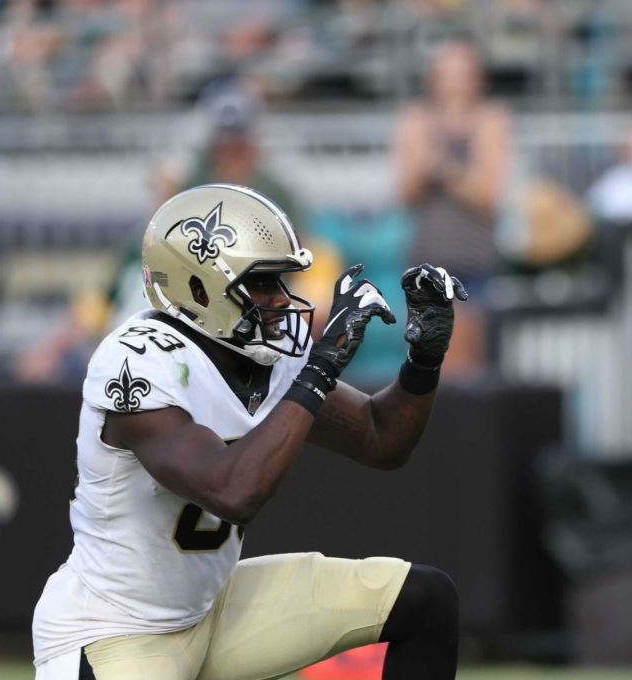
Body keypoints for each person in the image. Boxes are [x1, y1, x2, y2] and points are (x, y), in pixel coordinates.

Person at [31, 184, 467, 679]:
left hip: (213, 609)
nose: (281, 301)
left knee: (427, 600)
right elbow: (232, 491)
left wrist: (425, 359)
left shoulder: (264, 356)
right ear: (199, 290)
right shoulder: (138, 362)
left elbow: (381, 439)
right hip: (116, 631)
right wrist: (320, 368)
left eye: (282, 282)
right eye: (261, 284)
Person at [394, 39, 510, 377]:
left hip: (474, 257)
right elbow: (407, 191)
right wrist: (456, 175)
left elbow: (487, 194)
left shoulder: (491, 119)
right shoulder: (416, 118)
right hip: (428, 258)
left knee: (469, 367)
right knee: (428, 365)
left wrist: (442, 169)